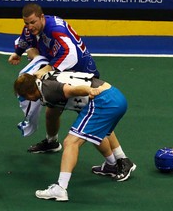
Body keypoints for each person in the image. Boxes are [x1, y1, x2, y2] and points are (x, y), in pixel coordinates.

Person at [14, 71, 136, 201]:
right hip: (115, 97)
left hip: (103, 100)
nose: (26, 100)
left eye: (24, 97)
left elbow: (71, 89)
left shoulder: (49, 90)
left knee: (71, 142)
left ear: (30, 93)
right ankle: (112, 165)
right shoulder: (43, 83)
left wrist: (89, 90)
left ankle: (60, 188)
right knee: (93, 134)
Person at [8, 3, 100, 154]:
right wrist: (17, 53)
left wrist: (46, 69)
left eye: (32, 22)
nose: (29, 26)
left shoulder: (56, 31)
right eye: (26, 23)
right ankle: (52, 142)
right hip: (64, 74)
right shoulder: (32, 29)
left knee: (92, 119)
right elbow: (26, 39)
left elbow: (71, 55)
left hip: (82, 74)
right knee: (52, 112)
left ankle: (119, 159)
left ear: (41, 17)